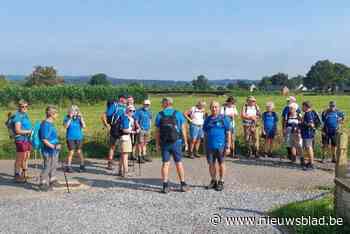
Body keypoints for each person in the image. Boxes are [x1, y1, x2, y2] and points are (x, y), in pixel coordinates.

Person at [155, 97, 189, 194]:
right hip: (176, 142)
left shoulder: (160, 115)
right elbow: (183, 129)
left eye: (162, 102)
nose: (161, 104)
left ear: (165, 103)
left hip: (165, 143)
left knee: (165, 163)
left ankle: (165, 185)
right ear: (171, 103)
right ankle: (183, 184)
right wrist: (185, 142)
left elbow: (157, 132)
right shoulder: (178, 114)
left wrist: (157, 143)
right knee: (179, 163)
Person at [203, 101, 231, 191]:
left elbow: (228, 133)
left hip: (221, 146)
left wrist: (228, 146)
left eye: (216, 107)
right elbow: (205, 133)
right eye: (213, 107)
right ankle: (213, 181)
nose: (214, 109)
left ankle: (221, 181)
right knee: (211, 164)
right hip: (209, 146)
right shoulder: (207, 119)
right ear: (210, 108)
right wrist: (204, 146)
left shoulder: (224, 119)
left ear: (219, 108)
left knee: (221, 164)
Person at [39, 106, 61, 192]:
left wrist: (57, 144)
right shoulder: (45, 124)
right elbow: (44, 139)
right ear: (52, 114)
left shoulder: (51, 123)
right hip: (48, 149)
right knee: (47, 165)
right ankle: (42, 182)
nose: (57, 115)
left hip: (54, 148)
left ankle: (52, 179)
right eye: (56, 113)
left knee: (54, 164)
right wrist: (53, 146)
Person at [102, 94, 127, 170]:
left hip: (123, 129)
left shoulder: (125, 107)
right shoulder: (114, 105)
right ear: (121, 99)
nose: (125, 100)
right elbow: (104, 115)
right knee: (112, 146)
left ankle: (122, 164)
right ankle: (110, 163)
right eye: (124, 98)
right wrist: (107, 125)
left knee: (121, 147)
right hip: (115, 129)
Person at [12, 100, 32, 183]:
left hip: (27, 139)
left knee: (27, 156)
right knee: (20, 158)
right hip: (20, 139)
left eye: (26, 106)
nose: (24, 108)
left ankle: (24, 173)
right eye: (22, 106)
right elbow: (17, 130)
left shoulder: (25, 115)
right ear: (19, 107)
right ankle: (17, 175)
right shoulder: (17, 117)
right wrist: (29, 131)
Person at [63, 105, 86, 173]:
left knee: (79, 151)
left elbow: (84, 126)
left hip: (79, 137)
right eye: (72, 111)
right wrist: (70, 118)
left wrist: (81, 118)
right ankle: (69, 166)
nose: (74, 112)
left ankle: (82, 165)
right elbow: (66, 126)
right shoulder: (66, 117)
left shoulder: (79, 118)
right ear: (69, 111)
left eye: (75, 110)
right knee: (71, 152)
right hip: (70, 137)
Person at [118, 105, 138, 177]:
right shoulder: (126, 118)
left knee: (122, 155)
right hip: (125, 138)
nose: (132, 112)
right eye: (130, 110)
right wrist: (133, 132)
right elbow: (124, 129)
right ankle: (125, 172)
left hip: (122, 138)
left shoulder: (125, 117)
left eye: (133, 111)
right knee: (125, 156)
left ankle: (120, 171)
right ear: (127, 110)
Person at [281, 96, 301, 161]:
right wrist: (283, 128)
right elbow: (284, 119)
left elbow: (301, 121)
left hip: (296, 129)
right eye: (287, 101)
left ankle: (297, 156)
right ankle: (291, 155)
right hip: (288, 128)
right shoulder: (286, 108)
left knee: (296, 143)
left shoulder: (298, 109)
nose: (287, 102)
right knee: (288, 142)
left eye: (289, 101)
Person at [301, 101, 316, 170]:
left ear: (306, 107)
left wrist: (301, 122)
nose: (302, 108)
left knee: (309, 148)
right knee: (308, 148)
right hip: (307, 133)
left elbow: (311, 124)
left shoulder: (308, 114)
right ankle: (310, 162)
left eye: (303, 106)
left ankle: (311, 164)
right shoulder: (308, 113)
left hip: (308, 134)